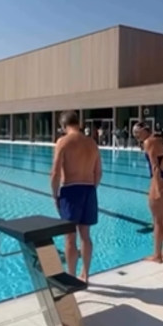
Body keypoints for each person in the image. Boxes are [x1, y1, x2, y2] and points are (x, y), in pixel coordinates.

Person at [51, 110, 102, 284]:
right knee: (85, 236)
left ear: (63, 125)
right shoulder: (92, 143)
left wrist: (55, 196)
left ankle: (71, 277)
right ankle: (85, 275)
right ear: (78, 123)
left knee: (70, 238)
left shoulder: (63, 142)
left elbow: (55, 173)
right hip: (89, 189)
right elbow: (98, 173)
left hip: (71, 191)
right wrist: (90, 189)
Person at [133, 122, 163, 262]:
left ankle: (157, 255)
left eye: (137, 132)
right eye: (134, 133)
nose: (136, 135)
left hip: (159, 181)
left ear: (145, 130)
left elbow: (155, 167)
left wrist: (156, 189)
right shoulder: (159, 140)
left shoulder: (148, 142)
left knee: (157, 221)